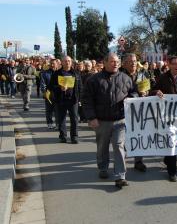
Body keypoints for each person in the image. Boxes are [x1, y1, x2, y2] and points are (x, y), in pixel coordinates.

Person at [83, 52, 136, 189]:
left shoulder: (126, 78)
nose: (115, 64)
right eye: (112, 61)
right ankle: (103, 167)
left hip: (120, 120)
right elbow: (87, 100)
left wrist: (131, 98)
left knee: (119, 146)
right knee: (102, 146)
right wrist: (91, 117)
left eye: (117, 61)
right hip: (101, 121)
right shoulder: (94, 80)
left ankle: (120, 176)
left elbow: (133, 93)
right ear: (105, 63)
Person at [120, 53, 149, 172]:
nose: (133, 63)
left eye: (135, 61)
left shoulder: (142, 74)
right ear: (124, 63)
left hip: (139, 110)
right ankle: (123, 161)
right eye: (130, 61)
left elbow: (148, 88)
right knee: (124, 137)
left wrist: (146, 93)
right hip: (124, 111)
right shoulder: (120, 76)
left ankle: (139, 161)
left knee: (139, 135)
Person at [49, 56, 81, 144]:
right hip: (61, 99)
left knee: (74, 119)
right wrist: (60, 87)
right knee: (61, 119)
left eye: (69, 61)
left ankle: (74, 137)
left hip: (73, 99)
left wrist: (80, 98)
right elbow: (51, 86)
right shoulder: (56, 73)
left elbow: (80, 87)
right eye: (65, 61)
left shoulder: (76, 73)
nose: (67, 63)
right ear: (62, 63)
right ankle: (63, 136)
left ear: (71, 62)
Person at [40, 59, 58, 129]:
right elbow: (43, 84)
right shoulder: (45, 73)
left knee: (58, 110)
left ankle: (58, 124)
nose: (52, 65)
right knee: (49, 110)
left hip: (58, 94)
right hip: (49, 94)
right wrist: (45, 92)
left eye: (54, 63)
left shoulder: (60, 72)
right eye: (51, 63)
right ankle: (49, 123)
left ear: (57, 64)